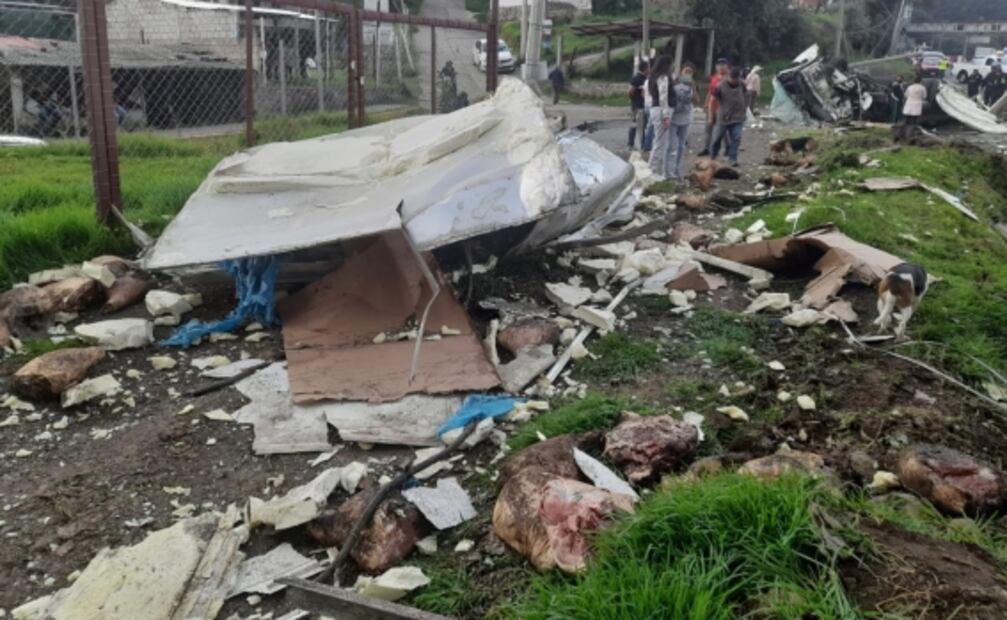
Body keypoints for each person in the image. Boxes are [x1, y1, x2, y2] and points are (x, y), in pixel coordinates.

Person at [710, 67, 747, 167]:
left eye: (737, 78)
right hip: (724, 118)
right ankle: (713, 156)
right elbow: (713, 101)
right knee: (717, 138)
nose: (735, 80)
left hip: (738, 117)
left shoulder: (742, 84)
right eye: (733, 78)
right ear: (729, 77)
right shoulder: (720, 86)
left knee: (736, 137)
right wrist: (711, 115)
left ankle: (732, 158)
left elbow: (744, 96)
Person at [647, 55, 677, 179]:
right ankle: (652, 171)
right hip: (662, 110)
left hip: (655, 109)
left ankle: (654, 170)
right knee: (660, 143)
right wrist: (666, 116)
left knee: (658, 141)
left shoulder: (652, 77)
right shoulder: (663, 77)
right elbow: (663, 97)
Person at [669, 62, 701, 180]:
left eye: (690, 72)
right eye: (686, 71)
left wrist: (692, 86)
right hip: (673, 117)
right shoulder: (674, 81)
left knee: (682, 145)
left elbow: (697, 100)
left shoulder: (692, 84)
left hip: (686, 117)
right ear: (681, 71)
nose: (687, 74)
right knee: (672, 145)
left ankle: (677, 169)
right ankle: (669, 169)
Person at [698, 58, 729, 156]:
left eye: (723, 65)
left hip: (722, 107)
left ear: (727, 66)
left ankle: (728, 147)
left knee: (722, 129)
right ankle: (706, 147)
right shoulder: (714, 77)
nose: (720, 67)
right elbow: (710, 92)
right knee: (708, 128)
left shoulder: (728, 78)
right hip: (712, 106)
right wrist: (706, 103)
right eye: (719, 65)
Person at [628, 61, 649, 151]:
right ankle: (630, 143)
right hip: (637, 105)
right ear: (645, 68)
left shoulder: (646, 78)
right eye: (649, 67)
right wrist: (635, 98)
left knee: (643, 126)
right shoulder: (637, 78)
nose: (650, 69)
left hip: (643, 105)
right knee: (635, 125)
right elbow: (630, 91)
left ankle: (642, 144)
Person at [901, 75, 927, 140]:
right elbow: (924, 96)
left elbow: (906, 95)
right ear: (921, 81)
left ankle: (903, 134)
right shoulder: (922, 88)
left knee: (907, 120)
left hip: (909, 104)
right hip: (917, 105)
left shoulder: (910, 87)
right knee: (914, 121)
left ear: (914, 81)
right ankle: (910, 135)